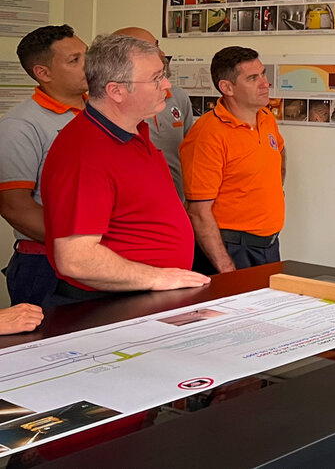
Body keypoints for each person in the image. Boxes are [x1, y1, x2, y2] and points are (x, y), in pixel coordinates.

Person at [40, 34, 209, 305]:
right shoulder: (86, 153)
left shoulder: (135, 130)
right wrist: (157, 277)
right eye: (156, 78)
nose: (166, 85)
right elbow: (76, 258)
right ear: (116, 91)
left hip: (145, 294)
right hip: (107, 303)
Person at [0, 25, 88, 306]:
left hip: (105, 256)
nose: (88, 64)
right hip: (46, 265)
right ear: (43, 73)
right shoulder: (21, 125)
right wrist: (82, 247)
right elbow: (14, 206)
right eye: (74, 60)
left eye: (87, 55)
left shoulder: (103, 112)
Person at [179, 46, 285, 274]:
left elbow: (279, 153)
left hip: (268, 245)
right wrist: (226, 267)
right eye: (253, 78)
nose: (265, 84)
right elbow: (198, 212)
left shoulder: (266, 118)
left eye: (263, 74)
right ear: (227, 87)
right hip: (231, 248)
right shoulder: (208, 134)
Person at [113, 26, 194, 200]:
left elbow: (190, 155)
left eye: (157, 46)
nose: (162, 54)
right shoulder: (109, 104)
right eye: (151, 49)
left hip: (176, 206)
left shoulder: (179, 97)